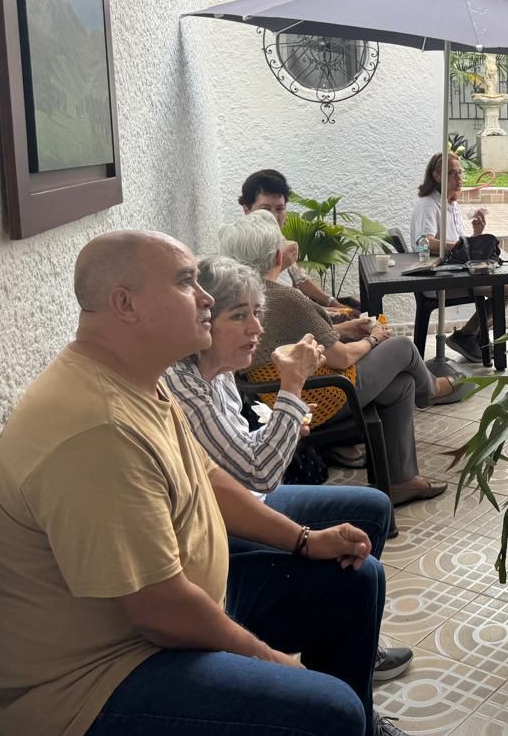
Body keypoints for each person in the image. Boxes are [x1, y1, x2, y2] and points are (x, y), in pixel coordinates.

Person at [0, 230, 432, 736]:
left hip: (168, 624)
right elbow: (160, 610)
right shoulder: (97, 430)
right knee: (327, 712)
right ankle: (340, 732)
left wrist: (305, 540)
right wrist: (270, 661)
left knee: (354, 580)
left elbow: (210, 480)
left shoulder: (140, 380)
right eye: (186, 282)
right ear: (125, 304)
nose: (207, 299)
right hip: (98, 688)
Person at [164, 255, 424, 683]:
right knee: (359, 572)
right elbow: (258, 473)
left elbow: (244, 456)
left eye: (257, 314)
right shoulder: (186, 389)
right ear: (203, 320)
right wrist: (291, 386)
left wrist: (285, 421)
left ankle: (349, 646)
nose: (257, 329)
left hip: (247, 496)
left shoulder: (221, 368)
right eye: (240, 316)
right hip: (226, 525)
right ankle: (343, 648)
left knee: (375, 508)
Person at [222, 211, 452, 506]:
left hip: (273, 395)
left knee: (401, 384)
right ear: (277, 258)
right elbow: (342, 358)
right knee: (401, 348)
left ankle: (401, 481)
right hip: (321, 394)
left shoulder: (241, 295)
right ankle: (431, 390)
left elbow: (295, 336)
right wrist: (372, 338)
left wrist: (342, 328)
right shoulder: (284, 298)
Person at [409, 151, 508, 363]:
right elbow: (424, 242)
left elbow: (460, 246)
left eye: (460, 173)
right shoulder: (429, 205)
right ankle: (468, 335)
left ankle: (470, 335)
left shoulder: (451, 204)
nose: (459, 178)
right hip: (438, 278)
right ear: (436, 175)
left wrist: (476, 235)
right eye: (452, 173)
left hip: (455, 272)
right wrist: (458, 246)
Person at [238, 169, 345, 310]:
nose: (274, 217)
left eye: (280, 209)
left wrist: (333, 303)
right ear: (247, 210)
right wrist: (280, 264)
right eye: (266, 209)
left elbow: (300, 279)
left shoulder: (278, 237)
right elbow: (258, 300)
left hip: (301, 310)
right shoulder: (241, 246)